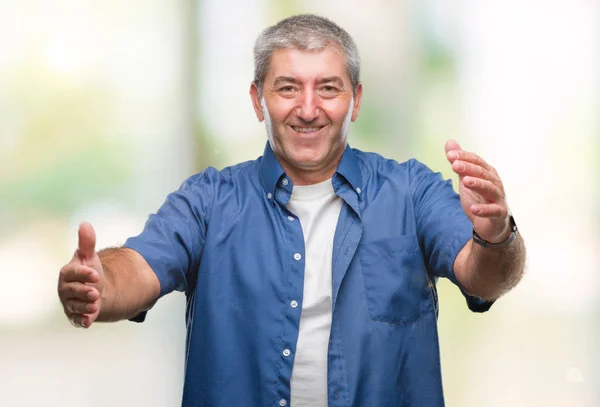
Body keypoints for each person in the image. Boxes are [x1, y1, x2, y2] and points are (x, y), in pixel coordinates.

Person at [57, 14, 525, 407]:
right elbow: (138, 268)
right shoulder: (209, 200)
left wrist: (496, 233)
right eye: (287, 88)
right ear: (257, 98)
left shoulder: (412, 190)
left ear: (355, 100)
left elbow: (485, 276)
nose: (307, 108)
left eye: (327, 88)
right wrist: (99, 280)